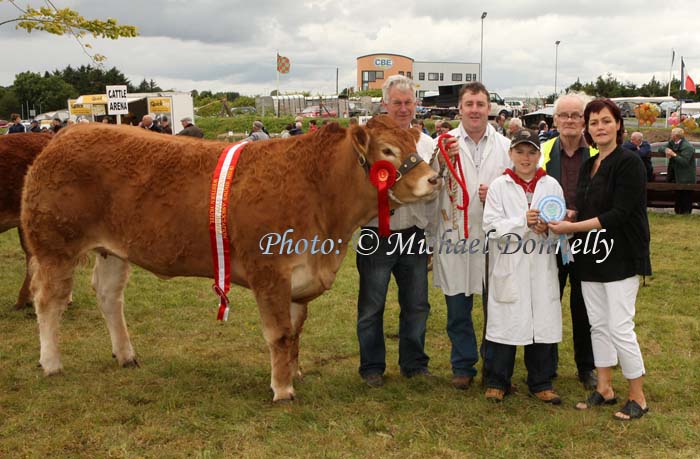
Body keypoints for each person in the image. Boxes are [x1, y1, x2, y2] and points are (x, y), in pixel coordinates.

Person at [549, 98, 651, 421]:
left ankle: (638, 396)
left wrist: (572, 226)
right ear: (587, 129)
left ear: (619, 124)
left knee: (621, 326)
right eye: (593, 123)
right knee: (598, 326)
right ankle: (604, 387)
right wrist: (565, 215)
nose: (600, 127)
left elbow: (618, 214)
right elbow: (585, 206)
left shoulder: (629, 162)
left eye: (605, 121)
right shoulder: (589, 164)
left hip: (621, 256)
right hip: (590, 257)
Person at [430, 81, 511, 390]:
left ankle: (494, 365)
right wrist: (439, 162)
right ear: (459, 109)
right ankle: (462, 365)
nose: (475, 110)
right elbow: (430, 186)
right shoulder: (444, 144)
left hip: (495, 239)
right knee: (457, 308)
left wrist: (498, 193)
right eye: (469, 104)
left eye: (480, 104)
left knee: (496, 307)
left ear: (488, 109)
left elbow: (520, 187)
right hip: (454, 236)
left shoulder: (505, 146)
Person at [356, 75, 436, 387]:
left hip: (413, 232)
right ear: (385, 104)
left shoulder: (427, 144)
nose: (403, 109)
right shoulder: (369, 143)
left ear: (416, 105)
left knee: (417, 304)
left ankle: (414, 363)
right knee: (371, 305)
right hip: (375, 232)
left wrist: (429, 234)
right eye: (397, 103)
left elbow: (433, 190)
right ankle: (372, 367)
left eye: (408, 103)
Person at [482, 129, 564, 404]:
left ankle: (540, 381)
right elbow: (491, 226)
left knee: (541, 322)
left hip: (541, 263)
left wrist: (548, 228)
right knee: (505, 323)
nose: (526, 158)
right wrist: (522, 221)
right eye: (520, 151)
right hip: (510, 264)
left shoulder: (551, 185)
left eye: (531, 152)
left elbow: (561, 226)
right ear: (511, 154)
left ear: (539, 155)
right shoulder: (499, 186)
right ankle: (497, 380)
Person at [540, 92, 598, 390]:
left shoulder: (599, 152)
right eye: (564, 115)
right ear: (555, 120)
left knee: (584, 304)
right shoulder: (543, 150)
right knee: (549, 300)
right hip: (550, 240)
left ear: (584, 120)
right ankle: (545, 366)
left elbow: (605, 197)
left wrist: (578, 217)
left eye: (576, 115)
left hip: (587, 239)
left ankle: (586, 366)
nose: (570, 121)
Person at [660, 128, 696, 214]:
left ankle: (686, 214)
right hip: (676, 175)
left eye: (671, 134)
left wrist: (673, 155)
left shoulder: (688, 147)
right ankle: (678, 213)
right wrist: (666, 150)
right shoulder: (672, 143)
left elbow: (684, 162)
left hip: (686, 176)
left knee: (686, 196)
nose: (670, 135)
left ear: (676, 136)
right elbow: (661, 147)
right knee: (678, 195)